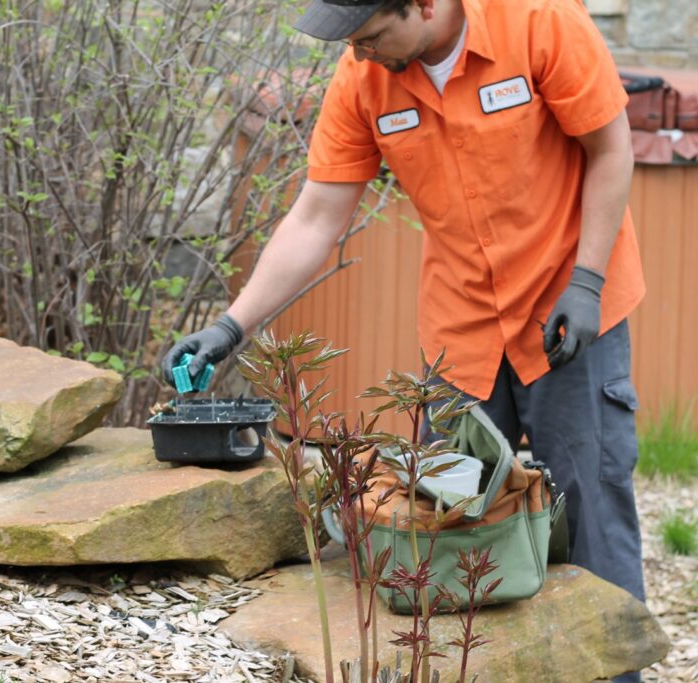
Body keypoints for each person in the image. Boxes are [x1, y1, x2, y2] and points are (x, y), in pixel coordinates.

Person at [162, 1, 646, 679]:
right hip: (463, 336)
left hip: (568, 314)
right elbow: (317, 214)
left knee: (592, 515)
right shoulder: (364, 78)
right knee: (447, 532)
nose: (359, 55)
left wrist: (589, 279)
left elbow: (610, 145)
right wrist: (230, 326)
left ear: (421, 4)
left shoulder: (537, 20)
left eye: (370, 37)